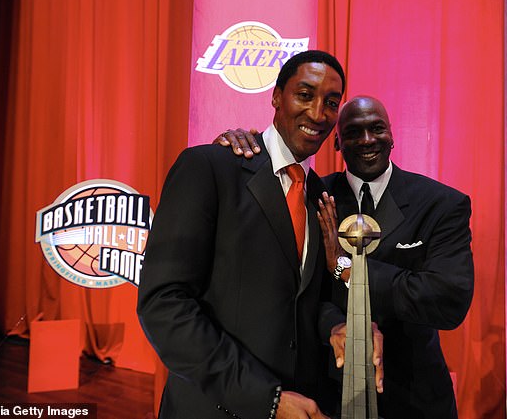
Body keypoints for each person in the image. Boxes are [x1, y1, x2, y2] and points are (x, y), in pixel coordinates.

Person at [217, 95, 475, 418]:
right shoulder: (311, 196)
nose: (367, 139)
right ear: (336, 143)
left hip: (414, 397)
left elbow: (448, 299)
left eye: (377, 128)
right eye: (353, 132)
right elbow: (301, 294)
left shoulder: (441, 204)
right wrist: (336, 325)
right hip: (329, 395)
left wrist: (347, 268)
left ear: (392, 136)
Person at [137, 50, 348, 419]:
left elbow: (304, 304)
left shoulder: (319, 195)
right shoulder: (208, 167)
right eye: (305, 94)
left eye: (331, 103)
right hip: (215, 408)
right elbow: (164, 305)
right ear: (276, 97)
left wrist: (340, 326)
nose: (318, 114)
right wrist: (266, 400)